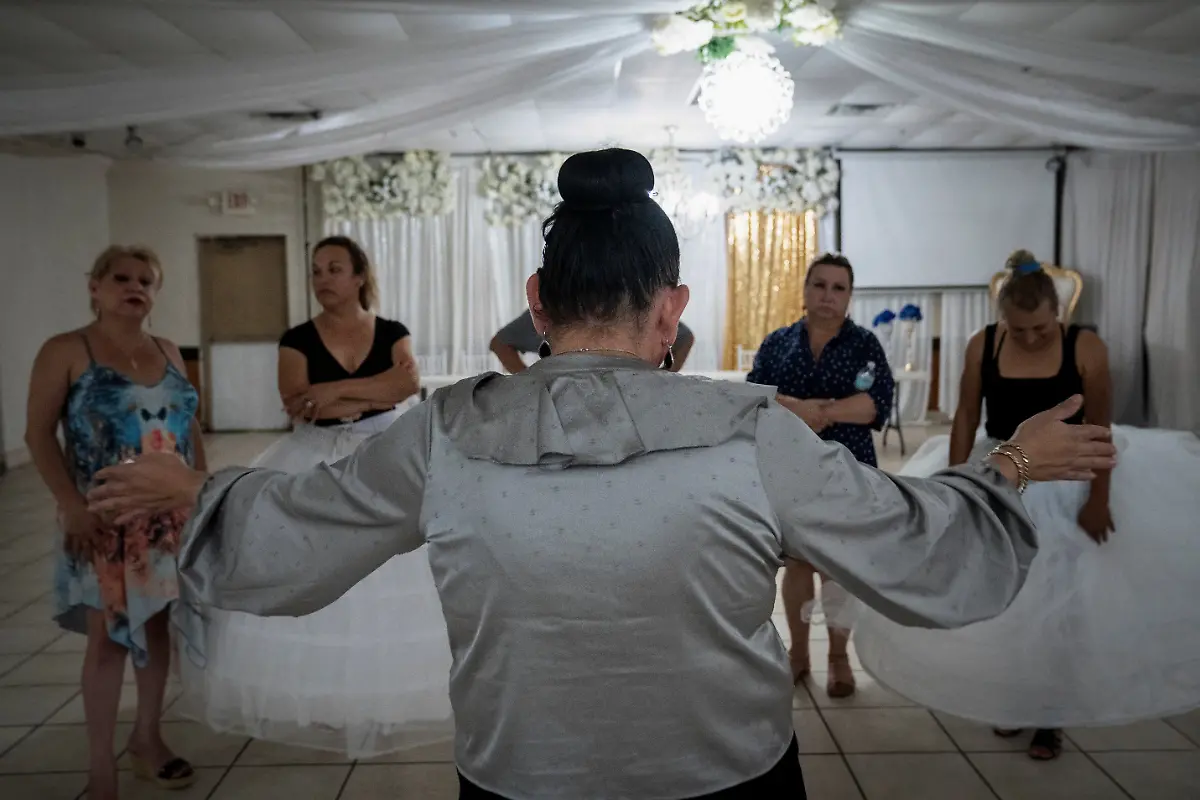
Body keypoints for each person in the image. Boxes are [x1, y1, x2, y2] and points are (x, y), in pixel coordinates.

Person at [89, 151, 1114, 800]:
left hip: (516, 777)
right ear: (672, 310)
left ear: (537, 298)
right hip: (725, 776)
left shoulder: (444, 432)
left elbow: (297, 536)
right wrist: (1012, 463)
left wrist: (197, 493)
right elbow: (918, 548)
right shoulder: (750, 432)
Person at [848, 251, 1200, 761]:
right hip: (1004, 470)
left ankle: (1048, 715)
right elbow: (967, 415)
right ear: (1001, 320)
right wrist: (957, 486)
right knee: (1009, 598)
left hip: (1071, 478)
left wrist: (1099, 499)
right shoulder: (982, 346)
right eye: (1019, 330)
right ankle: (1013, 697)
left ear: (1057, 315)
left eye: (1041, 328)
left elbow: (1100, 431)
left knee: (1063, 602)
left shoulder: (1087, 348)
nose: (1032, 338)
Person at [170, 235, 453, 758]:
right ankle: (324, 697)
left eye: (334, 269)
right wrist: (363, 388)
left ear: (359, 276)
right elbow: (298, 404)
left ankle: (379, 691)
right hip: (313, 454)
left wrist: (334, 390)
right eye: (316, 270)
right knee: (314, 562)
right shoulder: (297, 337)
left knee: (388, 569)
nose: (322, 279)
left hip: (381, 454)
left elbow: (405, 387)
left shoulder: (392, 331)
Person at [24, 245, 201, 799]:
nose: (135, 287)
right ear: (94, 286)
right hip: (103, 518)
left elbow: (190, 431)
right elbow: (37, 434)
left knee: (157, 625)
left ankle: (147, 738)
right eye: (121, 278)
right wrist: (70, 504)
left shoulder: (169, 350)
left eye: (146, 280)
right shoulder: (66, 350)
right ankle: (101, 768)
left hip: (167, 519)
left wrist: (206, 493)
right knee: (106, 640)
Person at [747, 253, 894, 698]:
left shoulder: (864, 345)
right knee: (796, 563)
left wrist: (817, 412)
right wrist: (805, 409)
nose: (828, 296)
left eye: (838, 288)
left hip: (848, 471)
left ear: (849, 296)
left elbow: (875, 405)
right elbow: (757, 398)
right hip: (788, 469)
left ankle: (837, 657)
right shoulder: (778, 343)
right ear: (805, 289)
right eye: (820, 285)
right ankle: (798, 654)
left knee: (837, 568)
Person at [491, 308, 695, 373]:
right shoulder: (555, 307)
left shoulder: (636, 305)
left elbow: (685, 338)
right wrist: (530, 383)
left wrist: (664, 379)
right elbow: (500, 343)